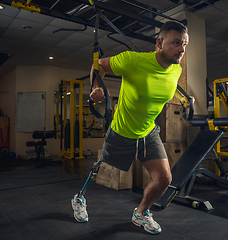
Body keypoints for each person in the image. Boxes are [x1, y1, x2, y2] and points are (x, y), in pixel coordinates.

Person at [72, 20, 194, 235]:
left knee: (164, 179)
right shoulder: (132, 60)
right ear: (159, 42)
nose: (182, 49)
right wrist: (96, 86)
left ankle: (141, 212)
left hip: (148, 132)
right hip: (121, 130)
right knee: (101, 166)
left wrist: (184, 99)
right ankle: (79, 198)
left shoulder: (176, 69)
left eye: (184, 44)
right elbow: (97, 64)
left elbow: (168, 86)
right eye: (176, 43)